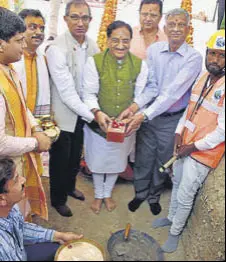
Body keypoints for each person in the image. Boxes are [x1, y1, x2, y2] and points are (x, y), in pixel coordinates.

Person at [119, 8, 203, 216]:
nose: (175, 29)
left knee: (162, 159)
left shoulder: (193, 58)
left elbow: (172, 93)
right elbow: (152, 87)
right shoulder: (155, 50)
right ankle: (140, 193)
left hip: (171, 119)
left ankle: (154, 196)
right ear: (164, 28)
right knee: (143, 157)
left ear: (187, 29)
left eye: (180, 25)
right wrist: (135, 108)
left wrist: (143, 116)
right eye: (171, 24)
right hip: (149, 115)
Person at [152, 30, 225, 253]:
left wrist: (192, 147)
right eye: (212, 53)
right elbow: (189, 111)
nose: (216, 60)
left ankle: (174, 234)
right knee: (176, 184)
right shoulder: (203, 77)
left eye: (222, 55)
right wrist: (177, 134)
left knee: (186, 194)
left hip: (202, 153)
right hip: (184, 145)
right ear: (206, 53)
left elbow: (222, 132)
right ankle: (171, 218)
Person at [83, 21, 152, 214]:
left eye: (125, 40)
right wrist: (97, 112)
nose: (120, 45)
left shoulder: (140, 65)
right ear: (107, 40)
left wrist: (131, 113)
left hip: (124, 127)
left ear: (131, 41)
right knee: (98, 161)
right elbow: (88, 94)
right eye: (115, 40)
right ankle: (98, 194)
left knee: (116, 161)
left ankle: (107, 194)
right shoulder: (94, 62)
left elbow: (140, 96)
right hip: (98, 124)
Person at [46, 0, 99, 217]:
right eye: (75, 17)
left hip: (83, 112)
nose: (80, 22)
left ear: (90, 20)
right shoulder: (56, 48)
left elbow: (97, 77)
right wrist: (95, 116)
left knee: (76, 154)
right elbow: (66, 93)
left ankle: (69, 187)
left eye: (84, 17)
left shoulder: (91, 45)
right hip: (63, 114)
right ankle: (58, 198)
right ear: (65, 19)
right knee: (60, 158)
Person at [0, 7, 51, 219]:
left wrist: (37, 128)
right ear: (1, 44)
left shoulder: (8, 68)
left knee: (21, 209)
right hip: (6, 167)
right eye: (19, 40)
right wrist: (36, 143)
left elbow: (22, 104)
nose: (24, 45)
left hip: (18, 158)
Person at [0, 158, 83, 261]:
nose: (23, 180)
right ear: (2, 198)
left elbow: (20, 227)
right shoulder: (2, 246)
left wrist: (58, 236)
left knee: (59, 248)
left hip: (21, 253)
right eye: (16, 180)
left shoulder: (9, 208)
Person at [14, 9, 51, 119]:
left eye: (42, 28)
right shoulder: (9, 60)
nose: (39, 32)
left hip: (36, 122)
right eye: (33, 27)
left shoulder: (43, 60)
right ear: (19, 30)